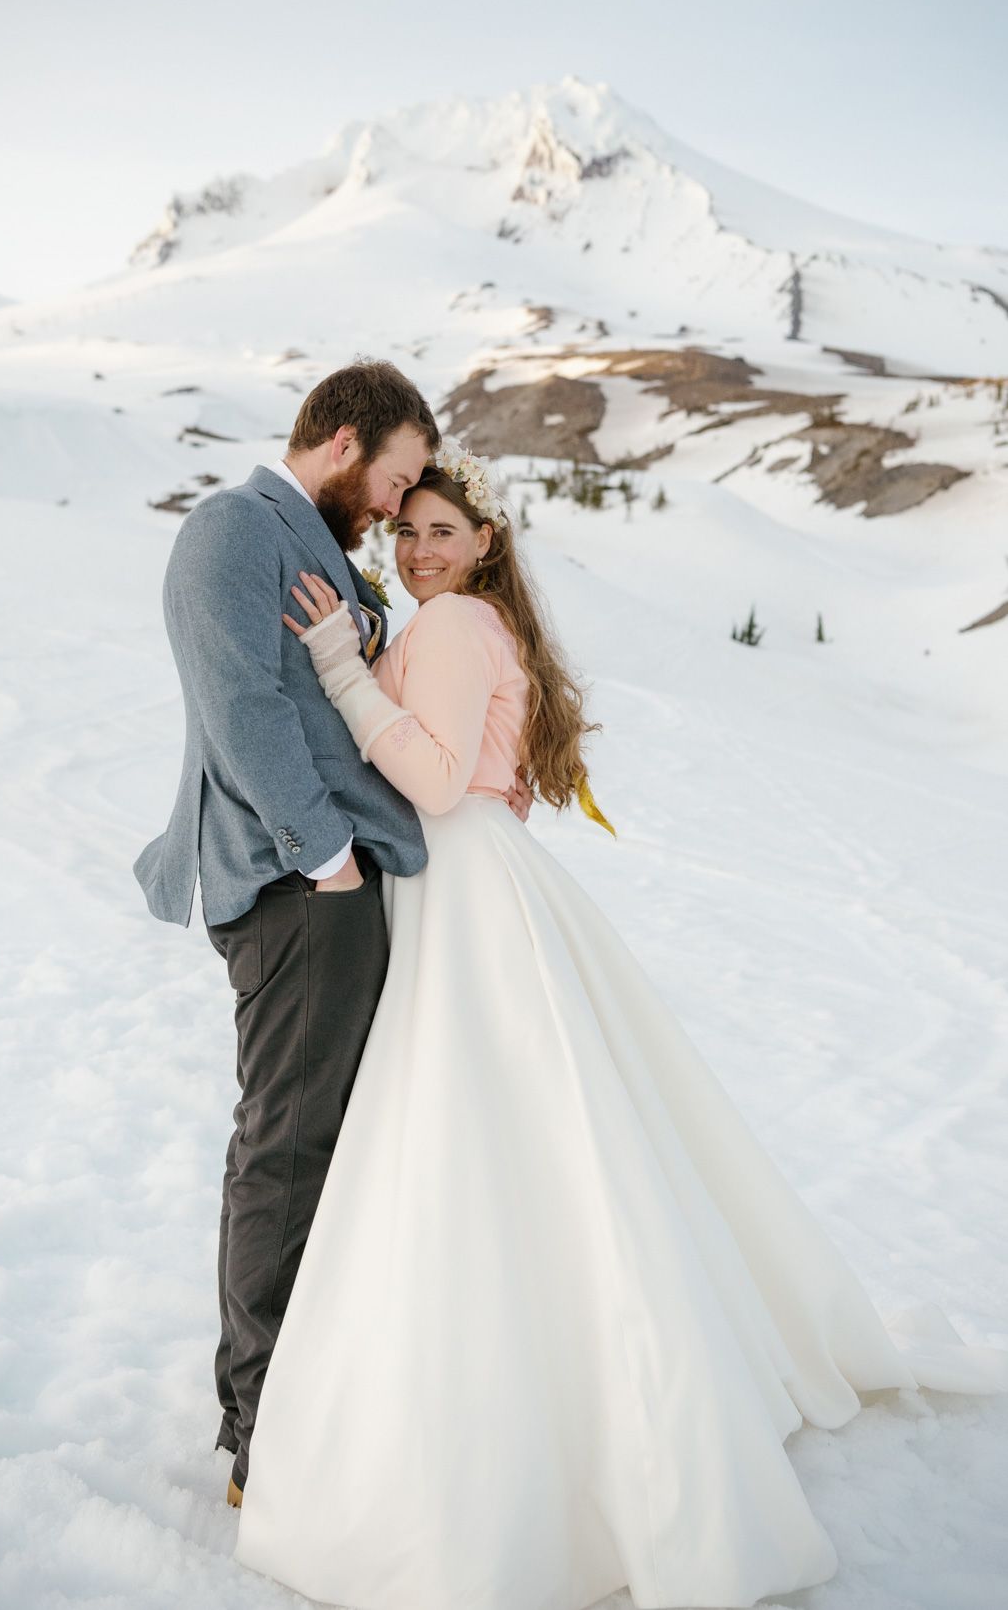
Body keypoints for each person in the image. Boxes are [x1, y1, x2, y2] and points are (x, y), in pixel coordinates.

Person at [229, 436, 1008, 1610]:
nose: (421, 546)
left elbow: (433, 784)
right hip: (479, 884)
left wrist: (340, 666)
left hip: (457, 887)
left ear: (487, 542)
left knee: (464, 1138)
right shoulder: (490, 627)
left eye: (445, 529)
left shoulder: (448, 626)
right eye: (408, 528)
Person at [132, 363, 535, 1509]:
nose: (392, 507)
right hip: (298, 887)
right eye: (395, 477)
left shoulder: (307, 543)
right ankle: (259, 1432)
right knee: (287, 1149)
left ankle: (322, 1399)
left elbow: (356, 665)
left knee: (339, 1150)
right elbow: (241, 707)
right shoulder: (229, 528)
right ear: (345, 439)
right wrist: (323, 854)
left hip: (345, 886)